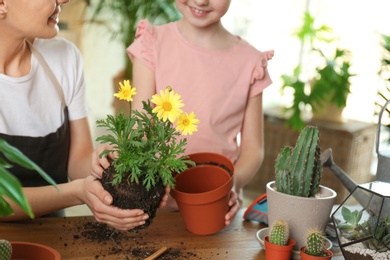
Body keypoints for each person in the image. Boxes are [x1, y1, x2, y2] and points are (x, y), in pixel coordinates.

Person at [95, 0, 274, 226]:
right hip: (154, 206)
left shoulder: (250, 61)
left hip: (215, 208)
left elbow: (253, 149)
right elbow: (140, 126)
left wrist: (232, 185)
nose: (200, 1)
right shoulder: (152, 41)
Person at [0, 0, 168, 230]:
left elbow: (78, 161)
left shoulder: (64, 57)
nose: (64, 0)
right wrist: (78, 193)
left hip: (55, 234)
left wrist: (107, 166)